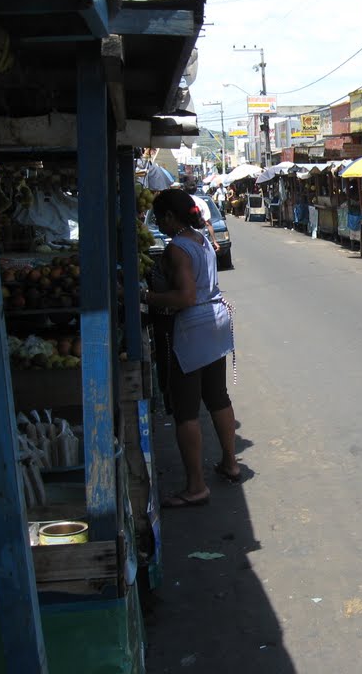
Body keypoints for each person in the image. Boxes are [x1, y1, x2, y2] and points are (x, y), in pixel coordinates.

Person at [143, 189, 241, 506]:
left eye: (160, 218)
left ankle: (196, 486)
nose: (159, 224)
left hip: (193, 326)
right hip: (214, 320)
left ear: (171, 217)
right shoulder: (201, 238)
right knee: (217, 396)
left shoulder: (177, 248)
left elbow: (185, 297)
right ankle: (230, 462)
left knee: (186, 409)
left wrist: (147, 298)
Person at [185, 182, 220, 253]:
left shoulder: (180, 202)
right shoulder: (201, 202)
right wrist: (214, 241)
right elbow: (208, 223)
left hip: (184, 243)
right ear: (196, 190)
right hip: (198, 241)